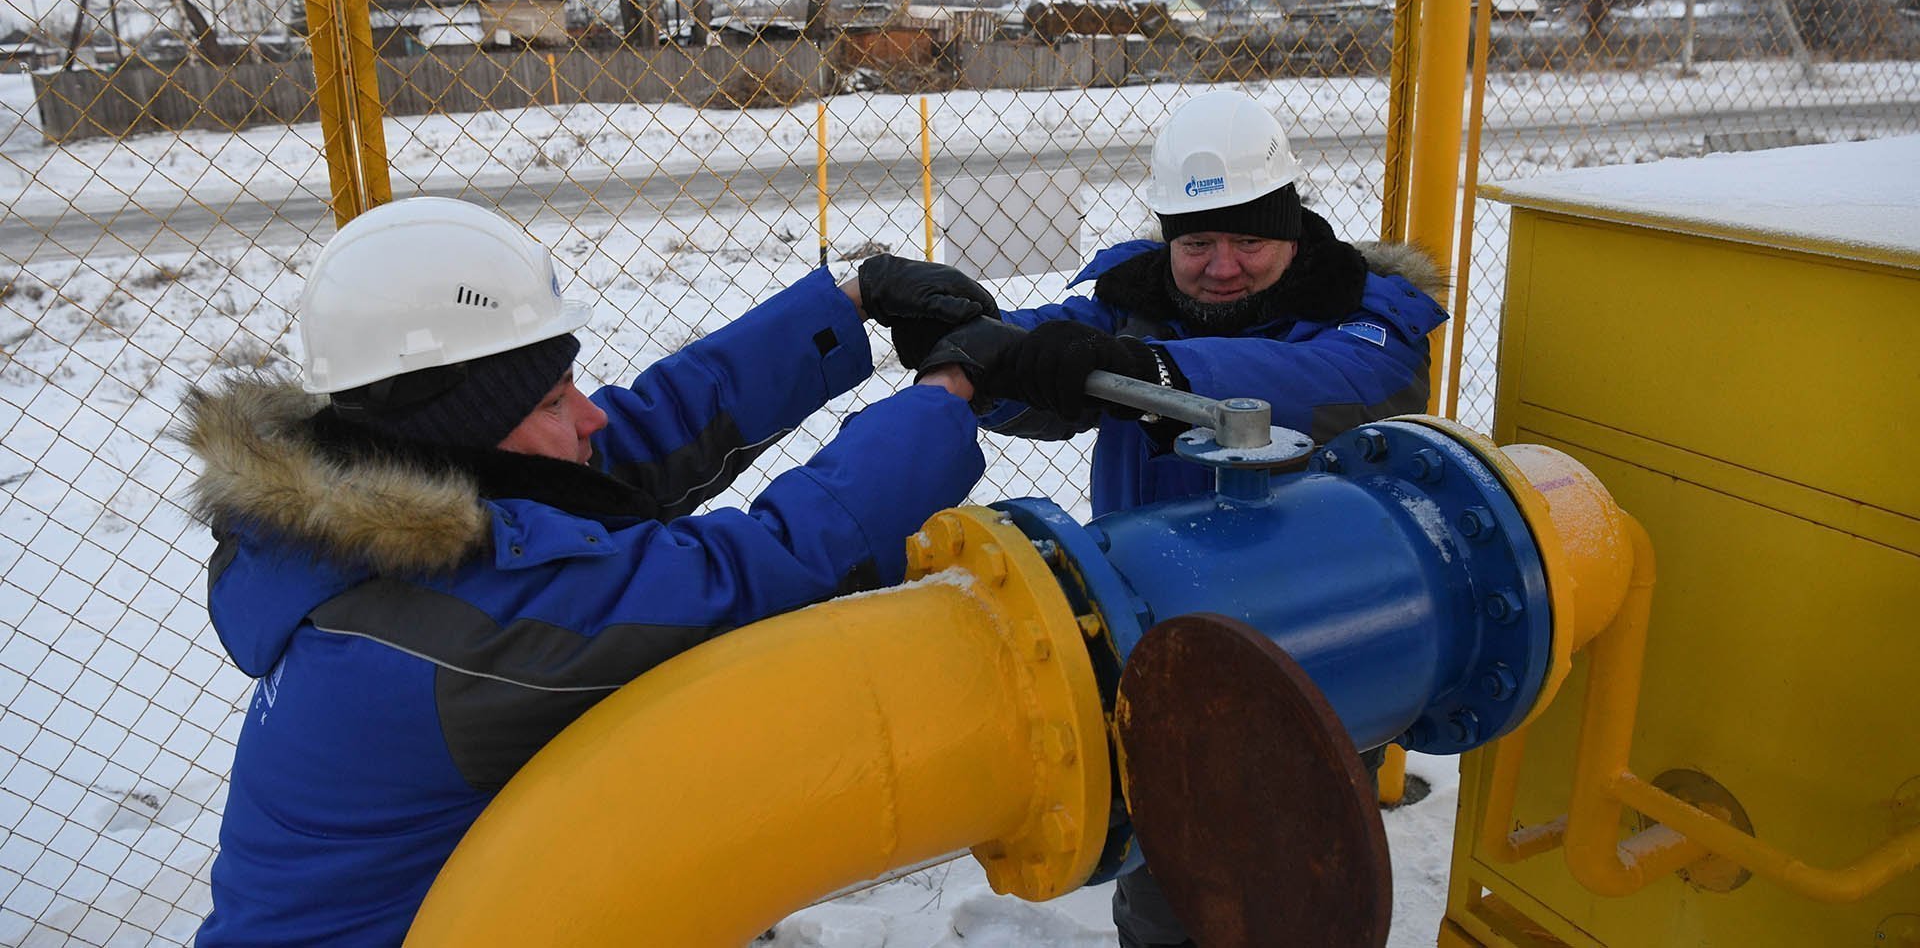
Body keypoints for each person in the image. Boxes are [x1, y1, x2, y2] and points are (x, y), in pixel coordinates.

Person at [183, 197, 995, 945]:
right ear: (461, 438)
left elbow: (616, 451)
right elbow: (763, 571)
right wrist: (946, 396)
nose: (590, 415)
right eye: (549, 401)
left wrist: (846, 306)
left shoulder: (358, 520)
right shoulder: (460, 634)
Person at [910, 90, 1447, 948]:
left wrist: (1149, 367)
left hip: (1320, 638)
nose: (1222, 266)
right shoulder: (1131, 302)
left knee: (1297, 867)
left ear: (1295, 231)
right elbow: (1050, 361)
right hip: (1154, 632)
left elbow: (1342, 385)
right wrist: (974, 349)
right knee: (1171, 870)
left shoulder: (1366, 315)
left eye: (1250, 240)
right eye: (1198, 241)